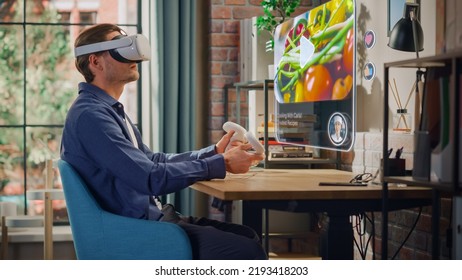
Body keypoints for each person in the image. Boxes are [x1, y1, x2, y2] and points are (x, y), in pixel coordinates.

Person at [60, 23, 267, 260]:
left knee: (247, 235)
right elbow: (149, 177)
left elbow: (152, 161)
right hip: (135, 231)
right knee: (246, 250)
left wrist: (212, 154)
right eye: (121, 48)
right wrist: (221, 163)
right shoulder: (91, 116)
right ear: (95, 62)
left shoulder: (107, 110)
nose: (134, 57)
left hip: (152, 217)